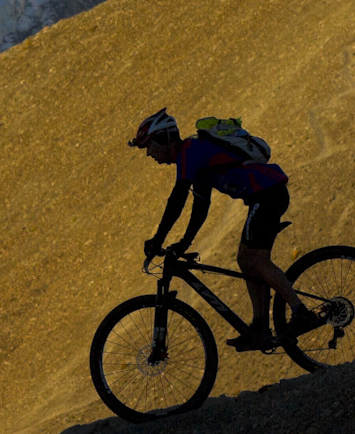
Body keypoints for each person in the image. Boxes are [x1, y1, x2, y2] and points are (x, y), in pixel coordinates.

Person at [127, 108, 322, 351]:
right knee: (246, 260)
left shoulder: (191, 152)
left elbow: (177, 200)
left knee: (256, 260)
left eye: (148, 147)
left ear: (164, 140)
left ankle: (300, 312)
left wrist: (157, 239)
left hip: (268, 195)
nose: (148, 154)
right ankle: (260, 328)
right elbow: (200, 207)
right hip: (266, 196)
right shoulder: (194, 156)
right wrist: (184, 243)